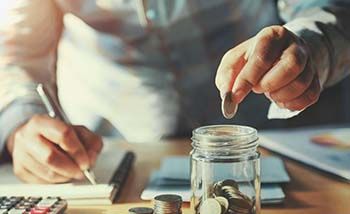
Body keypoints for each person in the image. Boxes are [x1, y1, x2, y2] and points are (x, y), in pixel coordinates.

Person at [0, 0, 349, 183]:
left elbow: (330, 7)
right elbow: (18, 50)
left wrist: (309, 48)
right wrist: (20, 124)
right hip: (111, 152)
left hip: (274, 141)